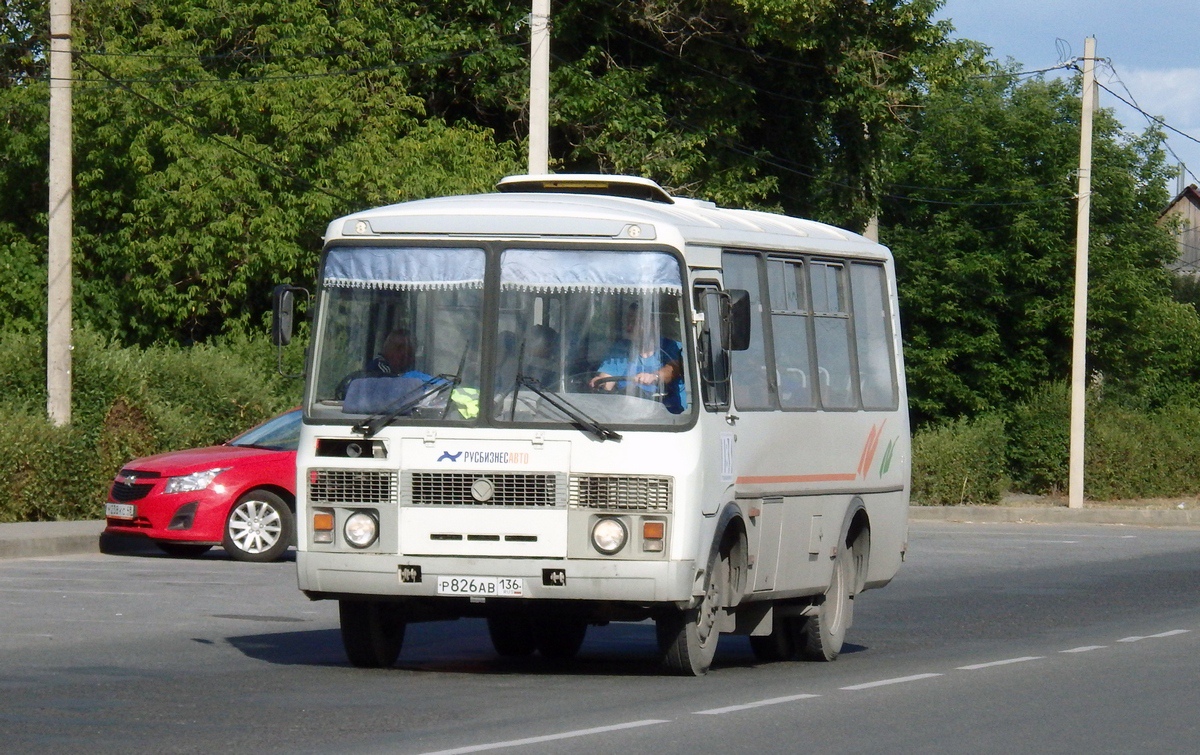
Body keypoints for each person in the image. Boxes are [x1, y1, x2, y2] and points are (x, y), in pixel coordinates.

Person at [589, 301, 686, 413]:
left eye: (634, 322)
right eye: (628, 321)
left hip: (667, 416)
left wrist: (654, 377)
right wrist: (600, 382)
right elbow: (607, 378)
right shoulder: (621, 348)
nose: (629, 327)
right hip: (625, 413)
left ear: (652, 324)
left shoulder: (671, 346)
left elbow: (673, 369)